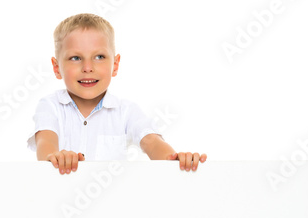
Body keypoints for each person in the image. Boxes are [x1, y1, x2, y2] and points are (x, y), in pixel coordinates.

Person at [27, 13, 207, 175]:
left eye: (99, 57)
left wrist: (174, 159)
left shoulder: (126, 111)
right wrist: (55, 156)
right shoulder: (50, 106)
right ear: (56, 67)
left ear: (115, 65)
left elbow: (152, 142)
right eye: (75, 58)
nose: (88, 68)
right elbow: (46, 143)